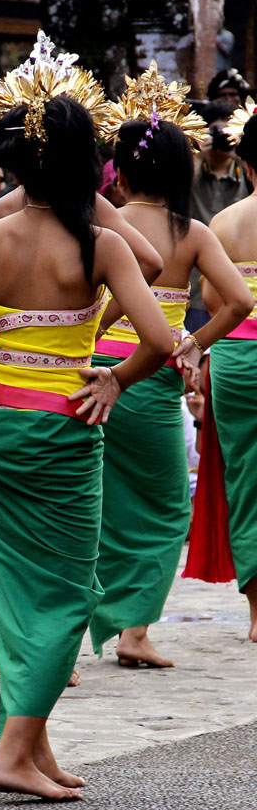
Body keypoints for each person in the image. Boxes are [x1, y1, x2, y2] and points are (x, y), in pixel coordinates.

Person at [0, 93, 172, 799]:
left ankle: (33, 746)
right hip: (64, 429)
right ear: (90, 164)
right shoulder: (100, 243)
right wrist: (113, 379)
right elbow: (162, 340)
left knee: (19, 592)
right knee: (69, 592)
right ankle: (12, 753)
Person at [88, 67, 253, 668]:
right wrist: (193, 344)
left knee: (94, 504)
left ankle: (74, 629)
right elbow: (239, 300)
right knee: (162, 507)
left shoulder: (101, 224)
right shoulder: (191, 232)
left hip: (88, 372)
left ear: (120, 173)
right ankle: (133, 632)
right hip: (152, 378)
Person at [184, 97, 257, 641]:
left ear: (247, 166)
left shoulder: (226, 222)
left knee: (247, 481)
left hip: (236, 362)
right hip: (233, 358)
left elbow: (212, 299)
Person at [187, 101, 253, 331]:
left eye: (229, 133)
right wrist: (196, 155)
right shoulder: (194, 169)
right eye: (216, 133)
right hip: (195, 286)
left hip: (237, 290)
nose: (222, 138)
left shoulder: (244, 171)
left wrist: (242, 156)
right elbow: (177, 196)